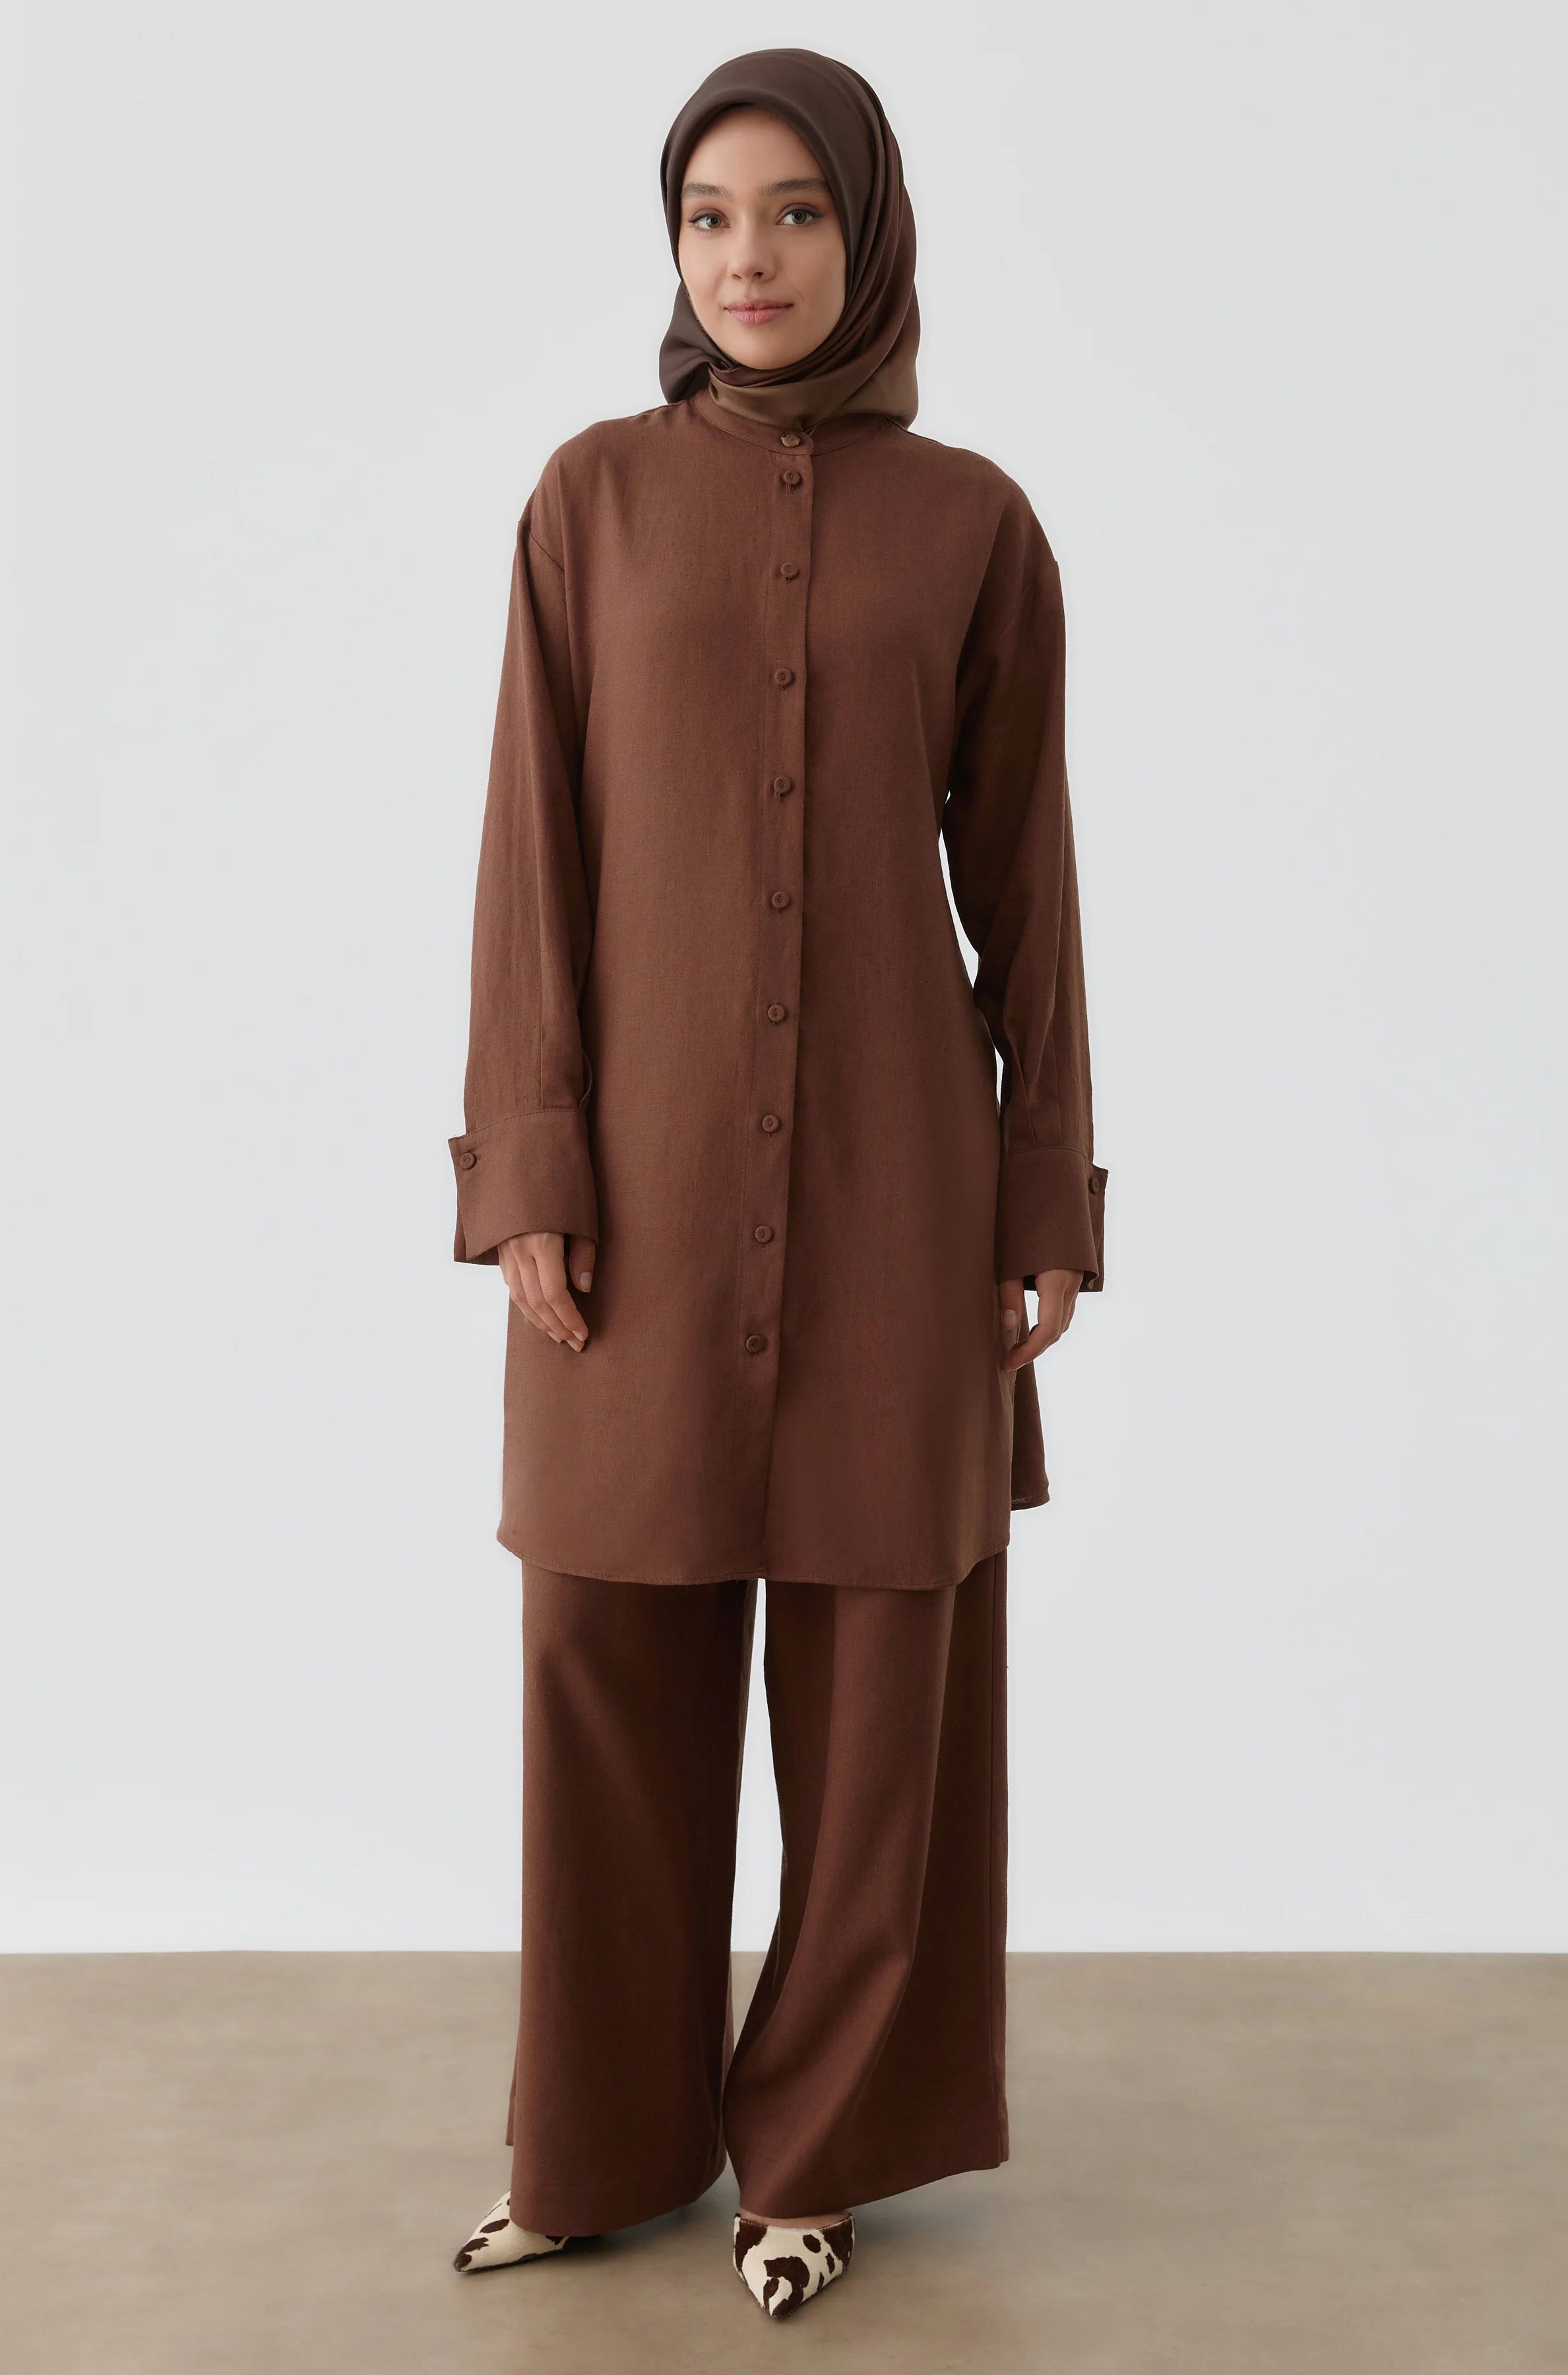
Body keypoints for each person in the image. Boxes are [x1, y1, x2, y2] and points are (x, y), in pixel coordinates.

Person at [446, 46, 1108, 2322]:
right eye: (712, 215)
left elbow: (1027, 889)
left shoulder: (977, 528)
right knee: (602, 1656)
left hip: (899, 1195)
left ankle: (812, 2159)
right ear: (674, 244)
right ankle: (597, 2147)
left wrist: (1043, 1199)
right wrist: (529, 1166)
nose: (750, 257)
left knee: (878, 1682)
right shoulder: (591, 503)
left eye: (798, 213)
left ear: (870, 235)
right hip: (629, 1189)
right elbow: (531, 859)